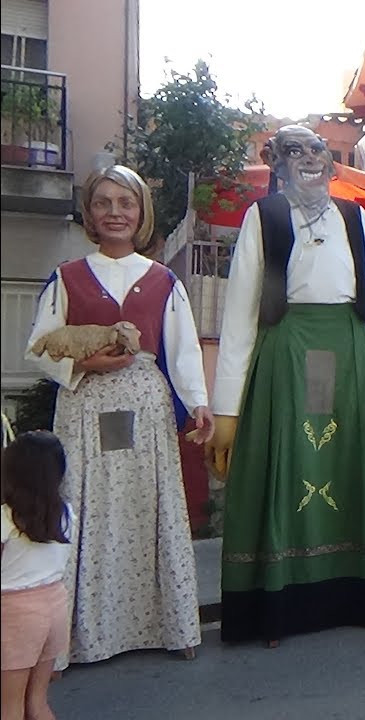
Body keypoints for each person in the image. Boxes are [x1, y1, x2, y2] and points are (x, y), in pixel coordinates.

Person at [207, 125, 365, 644]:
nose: (308, 158)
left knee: (346, 468)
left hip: (349, 354)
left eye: (316, 148)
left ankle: (364, 596)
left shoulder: (357, 220)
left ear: (331, 161)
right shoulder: (264, 217)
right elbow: (240, 314)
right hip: (285, 355)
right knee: (291, 465)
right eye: (293, 150)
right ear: (276, 164)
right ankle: (280, 604)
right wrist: (227, 411)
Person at [25, 165, 211, 666]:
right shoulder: (67, 277)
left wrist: (198, 403)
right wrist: (82, 364)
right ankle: (73, 640)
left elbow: (183, 350)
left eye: (125, 203)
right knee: (83, 507)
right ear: (89, 212)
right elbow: (38, 348)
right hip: (84, 403)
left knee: (148, 505)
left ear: (141, 212)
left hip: (145, 405)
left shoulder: (163, 280)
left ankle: (165, 625)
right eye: (103, 202)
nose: (114, 213)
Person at [2, 432, 74, 720]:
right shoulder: (65, 513)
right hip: (54, 605)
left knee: (9, 707)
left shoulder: (5, 517)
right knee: (37, 702)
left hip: (14, 613)